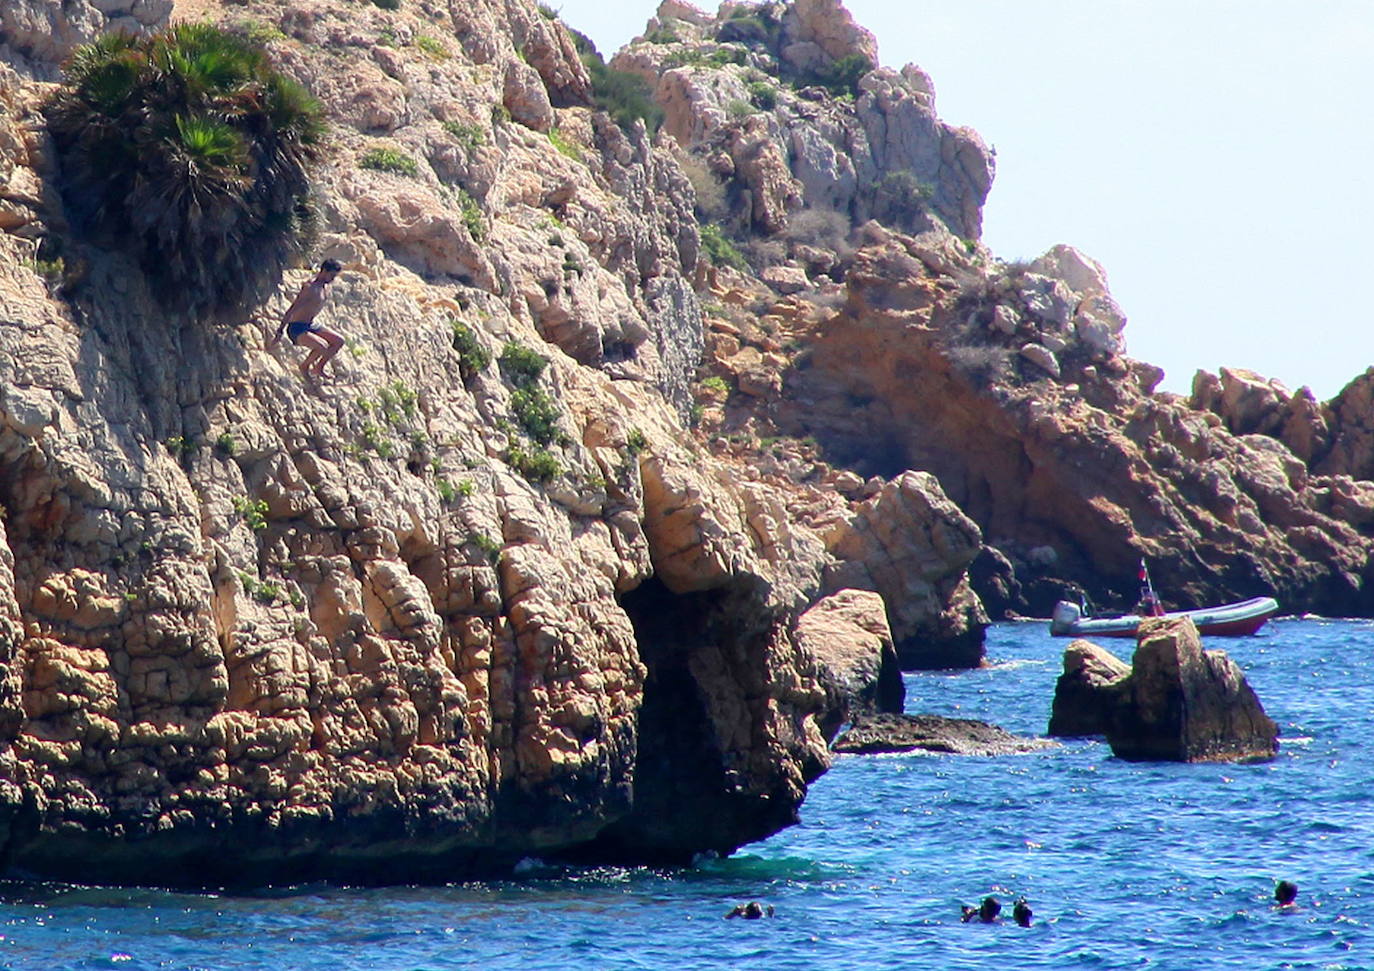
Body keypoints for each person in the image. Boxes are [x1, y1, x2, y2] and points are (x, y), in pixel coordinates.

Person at [269, 259, 346, 378]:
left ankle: (318, 368)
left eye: (335, 276)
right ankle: (304, 366)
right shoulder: (310, 288)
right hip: (297, 328)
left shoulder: (325, 287)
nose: (333, 279)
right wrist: (280, 331)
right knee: (322, 346)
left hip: (311, 325)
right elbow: (292, 309)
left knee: (339, 341)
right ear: (324, 271)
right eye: (331, 275)